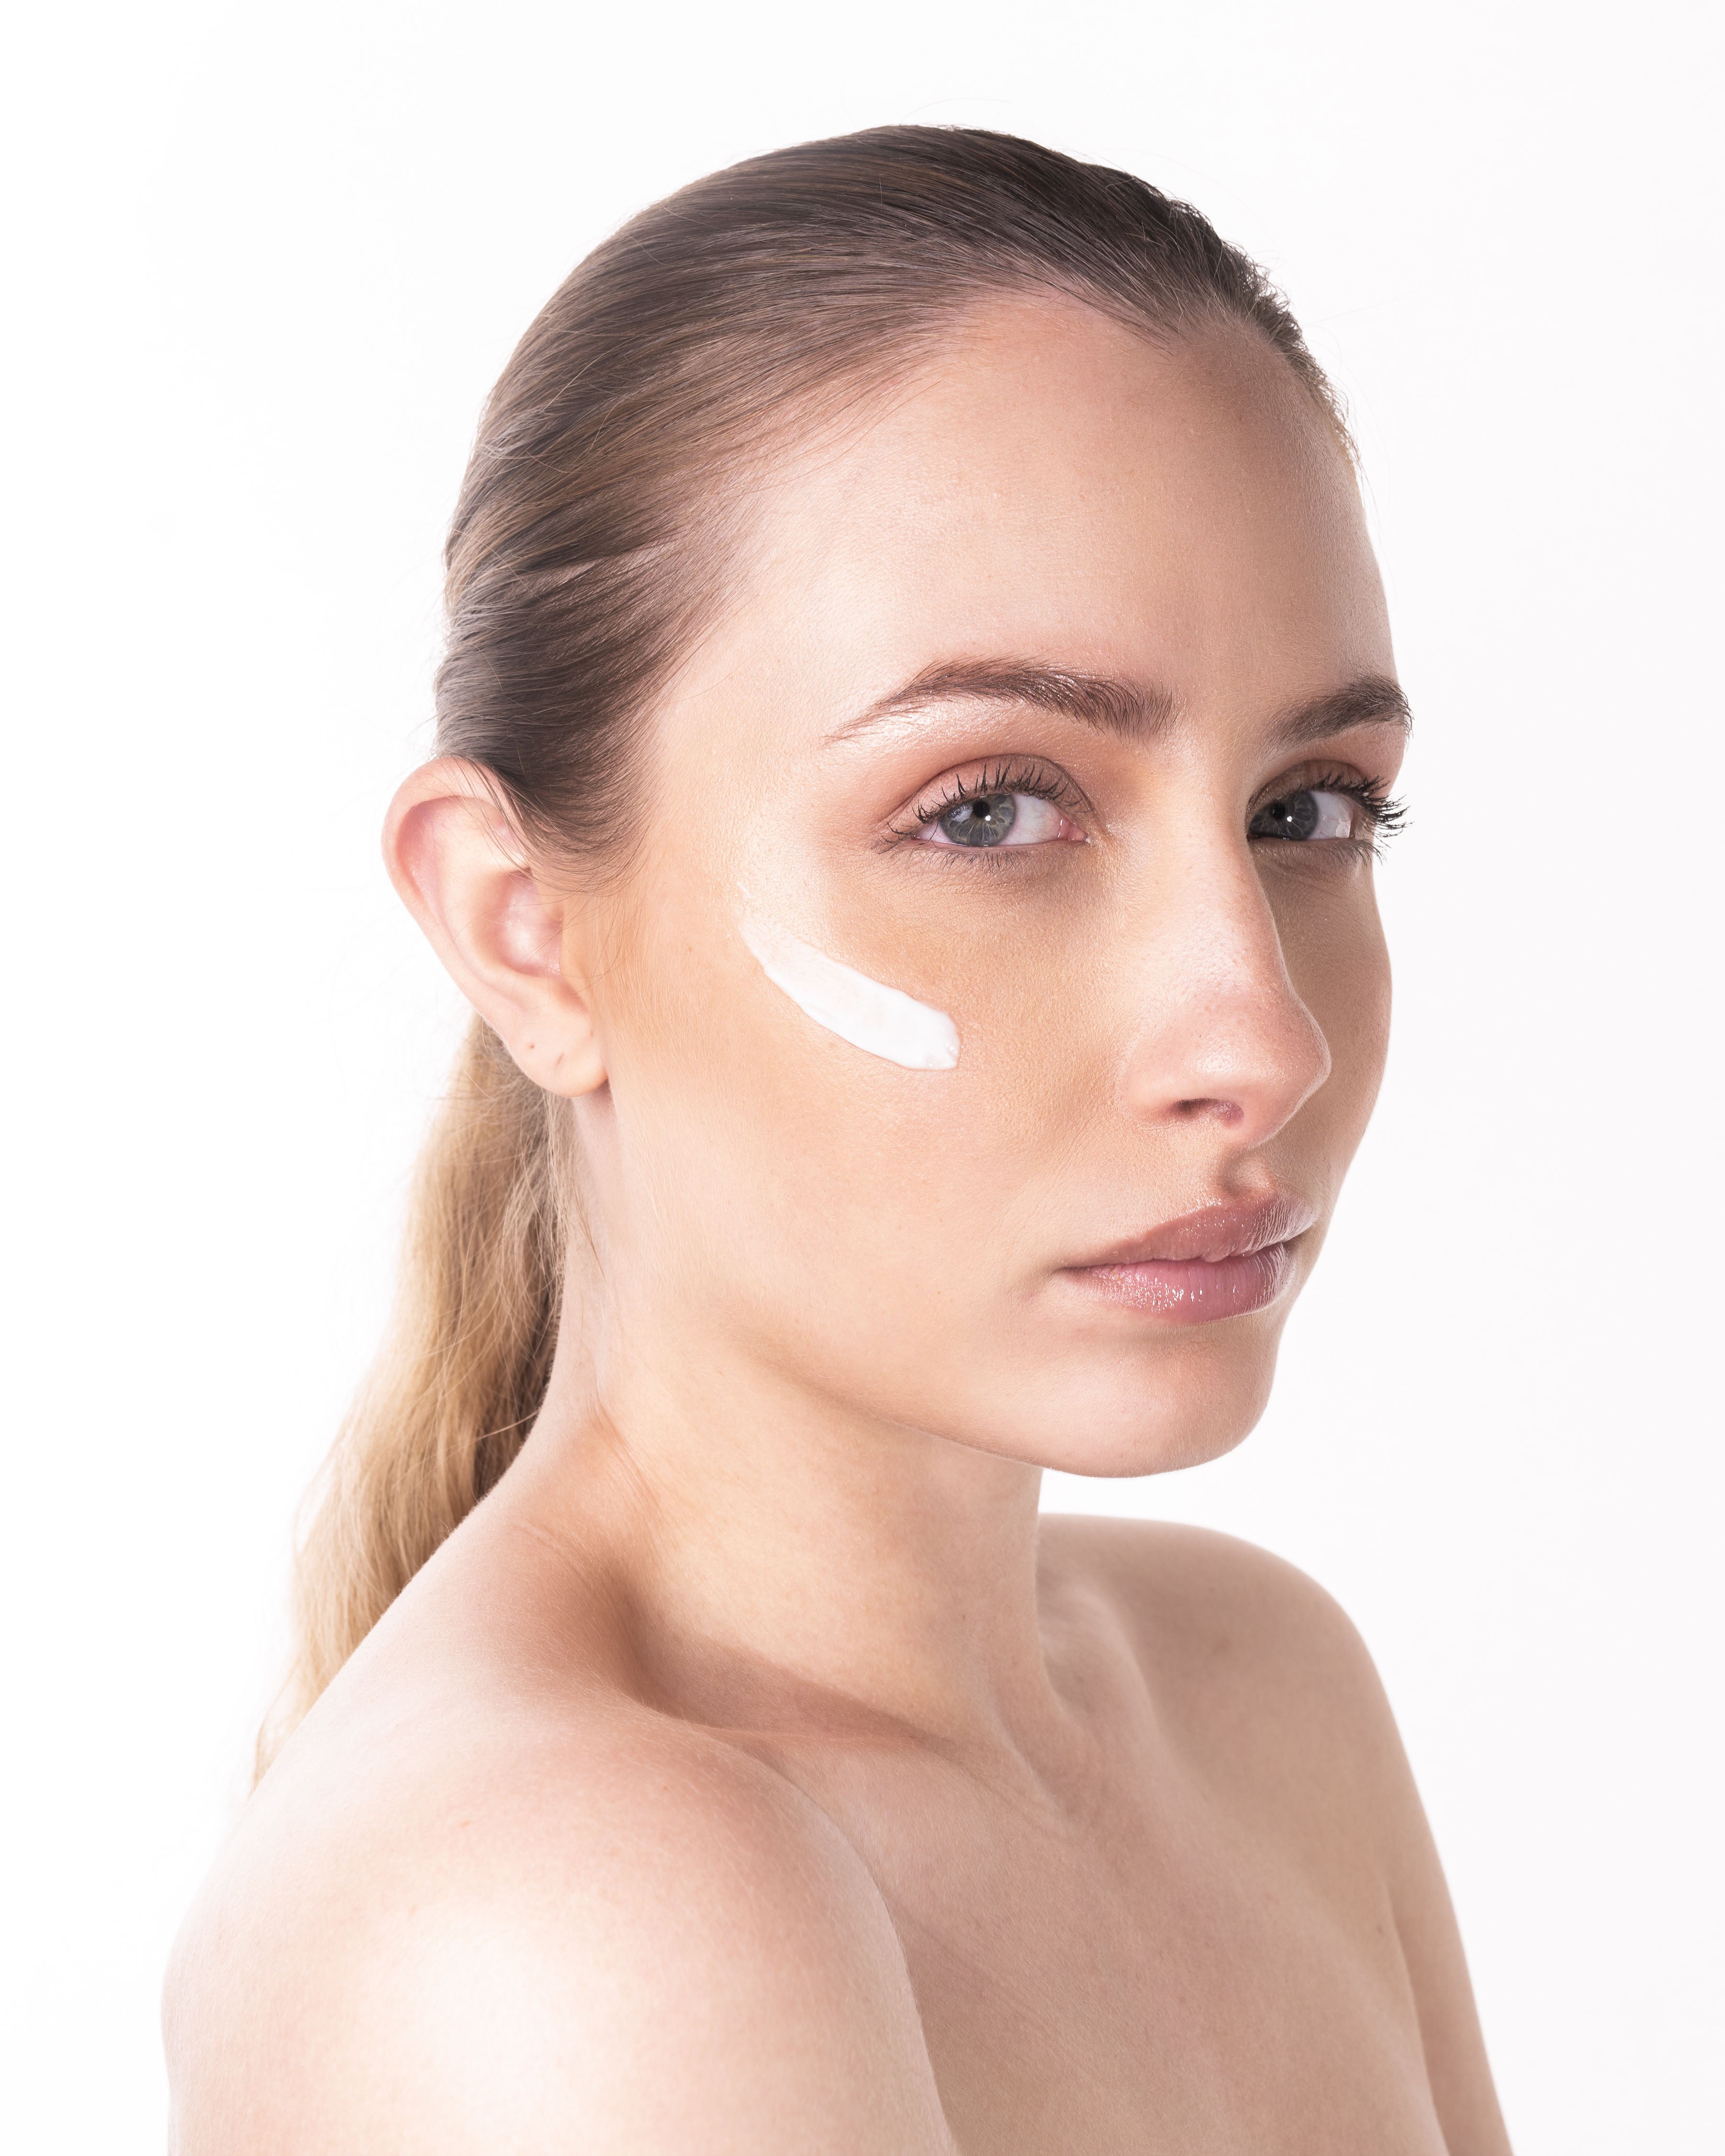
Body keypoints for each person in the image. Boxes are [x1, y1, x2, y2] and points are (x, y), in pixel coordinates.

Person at [164, 127, 1511, 2154]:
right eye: (988, 809)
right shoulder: (554, 1915)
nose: (1262, 1034)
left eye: (1305, 808)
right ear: (524, 928)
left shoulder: (1258, 1693)